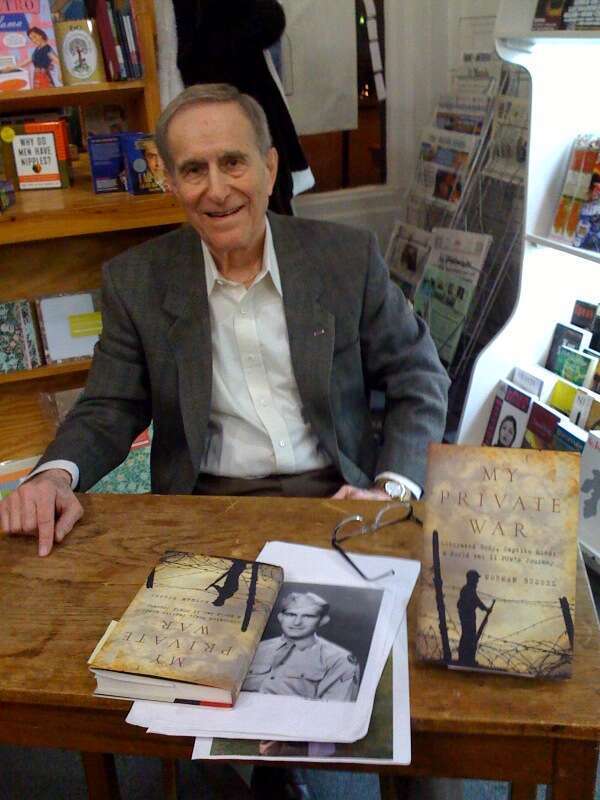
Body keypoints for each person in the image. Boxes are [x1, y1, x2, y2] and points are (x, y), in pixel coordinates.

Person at [0, 83, 449, 557]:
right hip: (205, 507)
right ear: (172, 182)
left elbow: (417, 376)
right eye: (194, 169)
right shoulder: (137, 281)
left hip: (340, 498)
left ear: (270, 168)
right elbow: (109, 406)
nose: (217, 190)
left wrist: (391, 491)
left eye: (233, 162)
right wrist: (51, 476)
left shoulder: (346, 258)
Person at [242, 592, 360, 701]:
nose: (297, 622)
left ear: (323, 620)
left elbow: (336, 711)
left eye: (308, 616)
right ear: (280, 617)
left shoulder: (338, 660)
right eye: (291, 614)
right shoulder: (255, 649)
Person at [457, 570, 491, 666]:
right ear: (471, 579)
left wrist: (485, 609)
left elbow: (476, 601)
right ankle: (465, 659)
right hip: (467, 617)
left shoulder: (469, 589)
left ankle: (467, 659)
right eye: (476, 578)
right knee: (468, 637)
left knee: (469, 637)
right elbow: (474, 602)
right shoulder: (467, 590)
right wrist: (485, 609)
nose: (477, 581)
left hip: (469, 616)